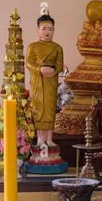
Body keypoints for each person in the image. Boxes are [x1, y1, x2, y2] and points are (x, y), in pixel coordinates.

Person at [26, 15, 63, 146]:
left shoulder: (57, 47)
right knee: (39, 107)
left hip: (51, 81)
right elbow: (28, 63)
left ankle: (49, 138)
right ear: (38, 30)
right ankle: (40, 138)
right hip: (37, 81)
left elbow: (59, 64)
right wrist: (39, 69)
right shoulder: (32, 46)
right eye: (44, 29)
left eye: (50, 29)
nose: (47, 32)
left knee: (50, 107)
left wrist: (53, 70)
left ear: (54, 30)